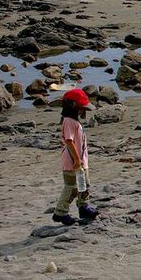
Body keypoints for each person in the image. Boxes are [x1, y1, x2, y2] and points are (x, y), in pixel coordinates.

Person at [52, 88, 99, 225]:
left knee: (84, 185)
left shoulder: (74, 122)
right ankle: (60, 212)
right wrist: (77, 159)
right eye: (80, 108)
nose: (82, 111)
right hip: (72, 162)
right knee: (71, 187)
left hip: (81, 161)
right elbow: (69, 141)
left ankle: (83, 207)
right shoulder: (68, 122)